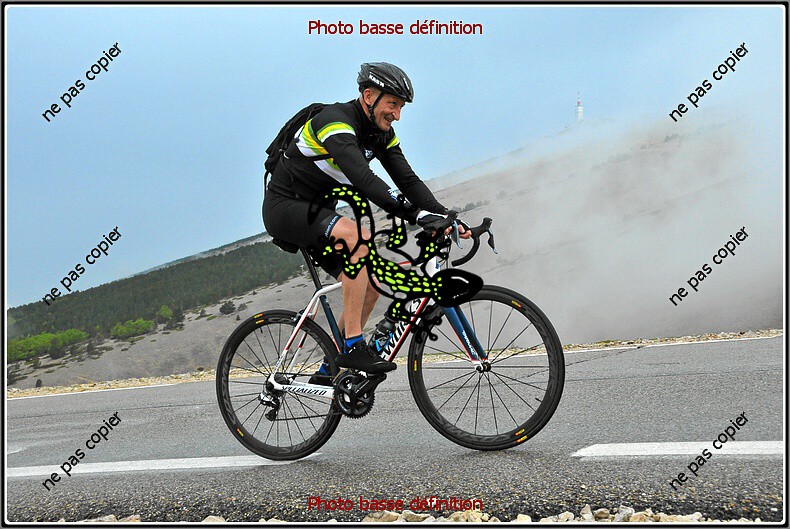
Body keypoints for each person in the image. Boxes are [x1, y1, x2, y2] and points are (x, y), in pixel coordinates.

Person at [263, 62, 470, 380]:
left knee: (370, 287)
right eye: (393, 104)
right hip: (284, 208)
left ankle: (329, 371)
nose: (397, 115)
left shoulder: (380, 134)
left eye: (401, 107)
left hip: (319, 213)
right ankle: (353, 346)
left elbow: (408, 181)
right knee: (356, 236)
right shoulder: (333, 122)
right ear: (369, 95)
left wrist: (445, 216)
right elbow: (363, 179)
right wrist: (415, 215)